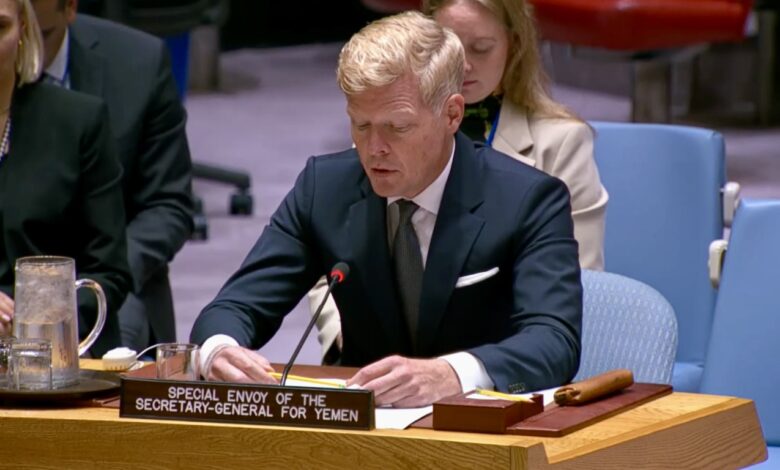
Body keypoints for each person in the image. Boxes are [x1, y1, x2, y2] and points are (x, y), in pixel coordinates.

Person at [190, 11, 581, 407]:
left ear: (452, 114)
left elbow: (553, 341)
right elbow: (235, 306)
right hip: (363, 425)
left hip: (481, 424)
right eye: (361, 126)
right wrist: (220, 349)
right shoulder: (325, 188)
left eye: (397, 128)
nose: (374, 149)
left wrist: (452, 373)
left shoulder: (527, 199)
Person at [310, 0, 608, 364]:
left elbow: (576, 283)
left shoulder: (561, 144)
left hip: (498, 366)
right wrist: (352, 333)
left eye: (481, 48)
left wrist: (470, 369)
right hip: (381, 361)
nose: (462, 65)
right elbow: (333, 254)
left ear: (514, 45)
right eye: (450, 46)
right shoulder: (381, 131)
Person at [31, 0, 194, 352]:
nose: (25, 55)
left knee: (113, 342)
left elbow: (168, 205)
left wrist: (105, 277)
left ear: (69, 8)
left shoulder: (140, 64)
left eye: (41, 36)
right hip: (9, 286)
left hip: (108, 279)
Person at [0, 0, 130, 355]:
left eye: (0, 28)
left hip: (52, 355)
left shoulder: (78, 122)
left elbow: (109, 271)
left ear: (23, 30)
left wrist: (32, 322)